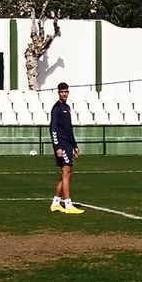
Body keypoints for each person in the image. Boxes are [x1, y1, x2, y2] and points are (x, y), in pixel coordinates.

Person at [49, 81, 83, 215]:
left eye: (66, 92)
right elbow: (53, 129)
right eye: (62, 92)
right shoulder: (56, 108)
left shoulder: (67, 107)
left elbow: (69, 129)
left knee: (68, 173)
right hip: (61, 144)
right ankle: (68, 204)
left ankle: (56, 203)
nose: (64, 94)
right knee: (66, 172)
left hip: (68, 144)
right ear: (58, 93)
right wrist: (57, 147)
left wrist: (75, 146)